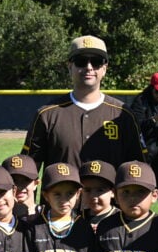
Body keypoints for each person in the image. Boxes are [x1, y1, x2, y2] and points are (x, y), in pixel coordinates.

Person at [21, 35, 147, 173]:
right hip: (61, 195)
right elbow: (28, 172)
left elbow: (140, 170)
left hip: (109, 195)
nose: (89, 67)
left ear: (104, 68)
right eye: (81, 61)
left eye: (96, 61)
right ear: (70, 67)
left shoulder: (124, 115)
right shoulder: (47, 114)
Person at [130, 72, 158, 218]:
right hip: (143, 155)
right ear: (151, 88)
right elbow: (135, 126)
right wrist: (155, 119)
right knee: (141, 191)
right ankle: (139, 221)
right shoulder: (140, 102)